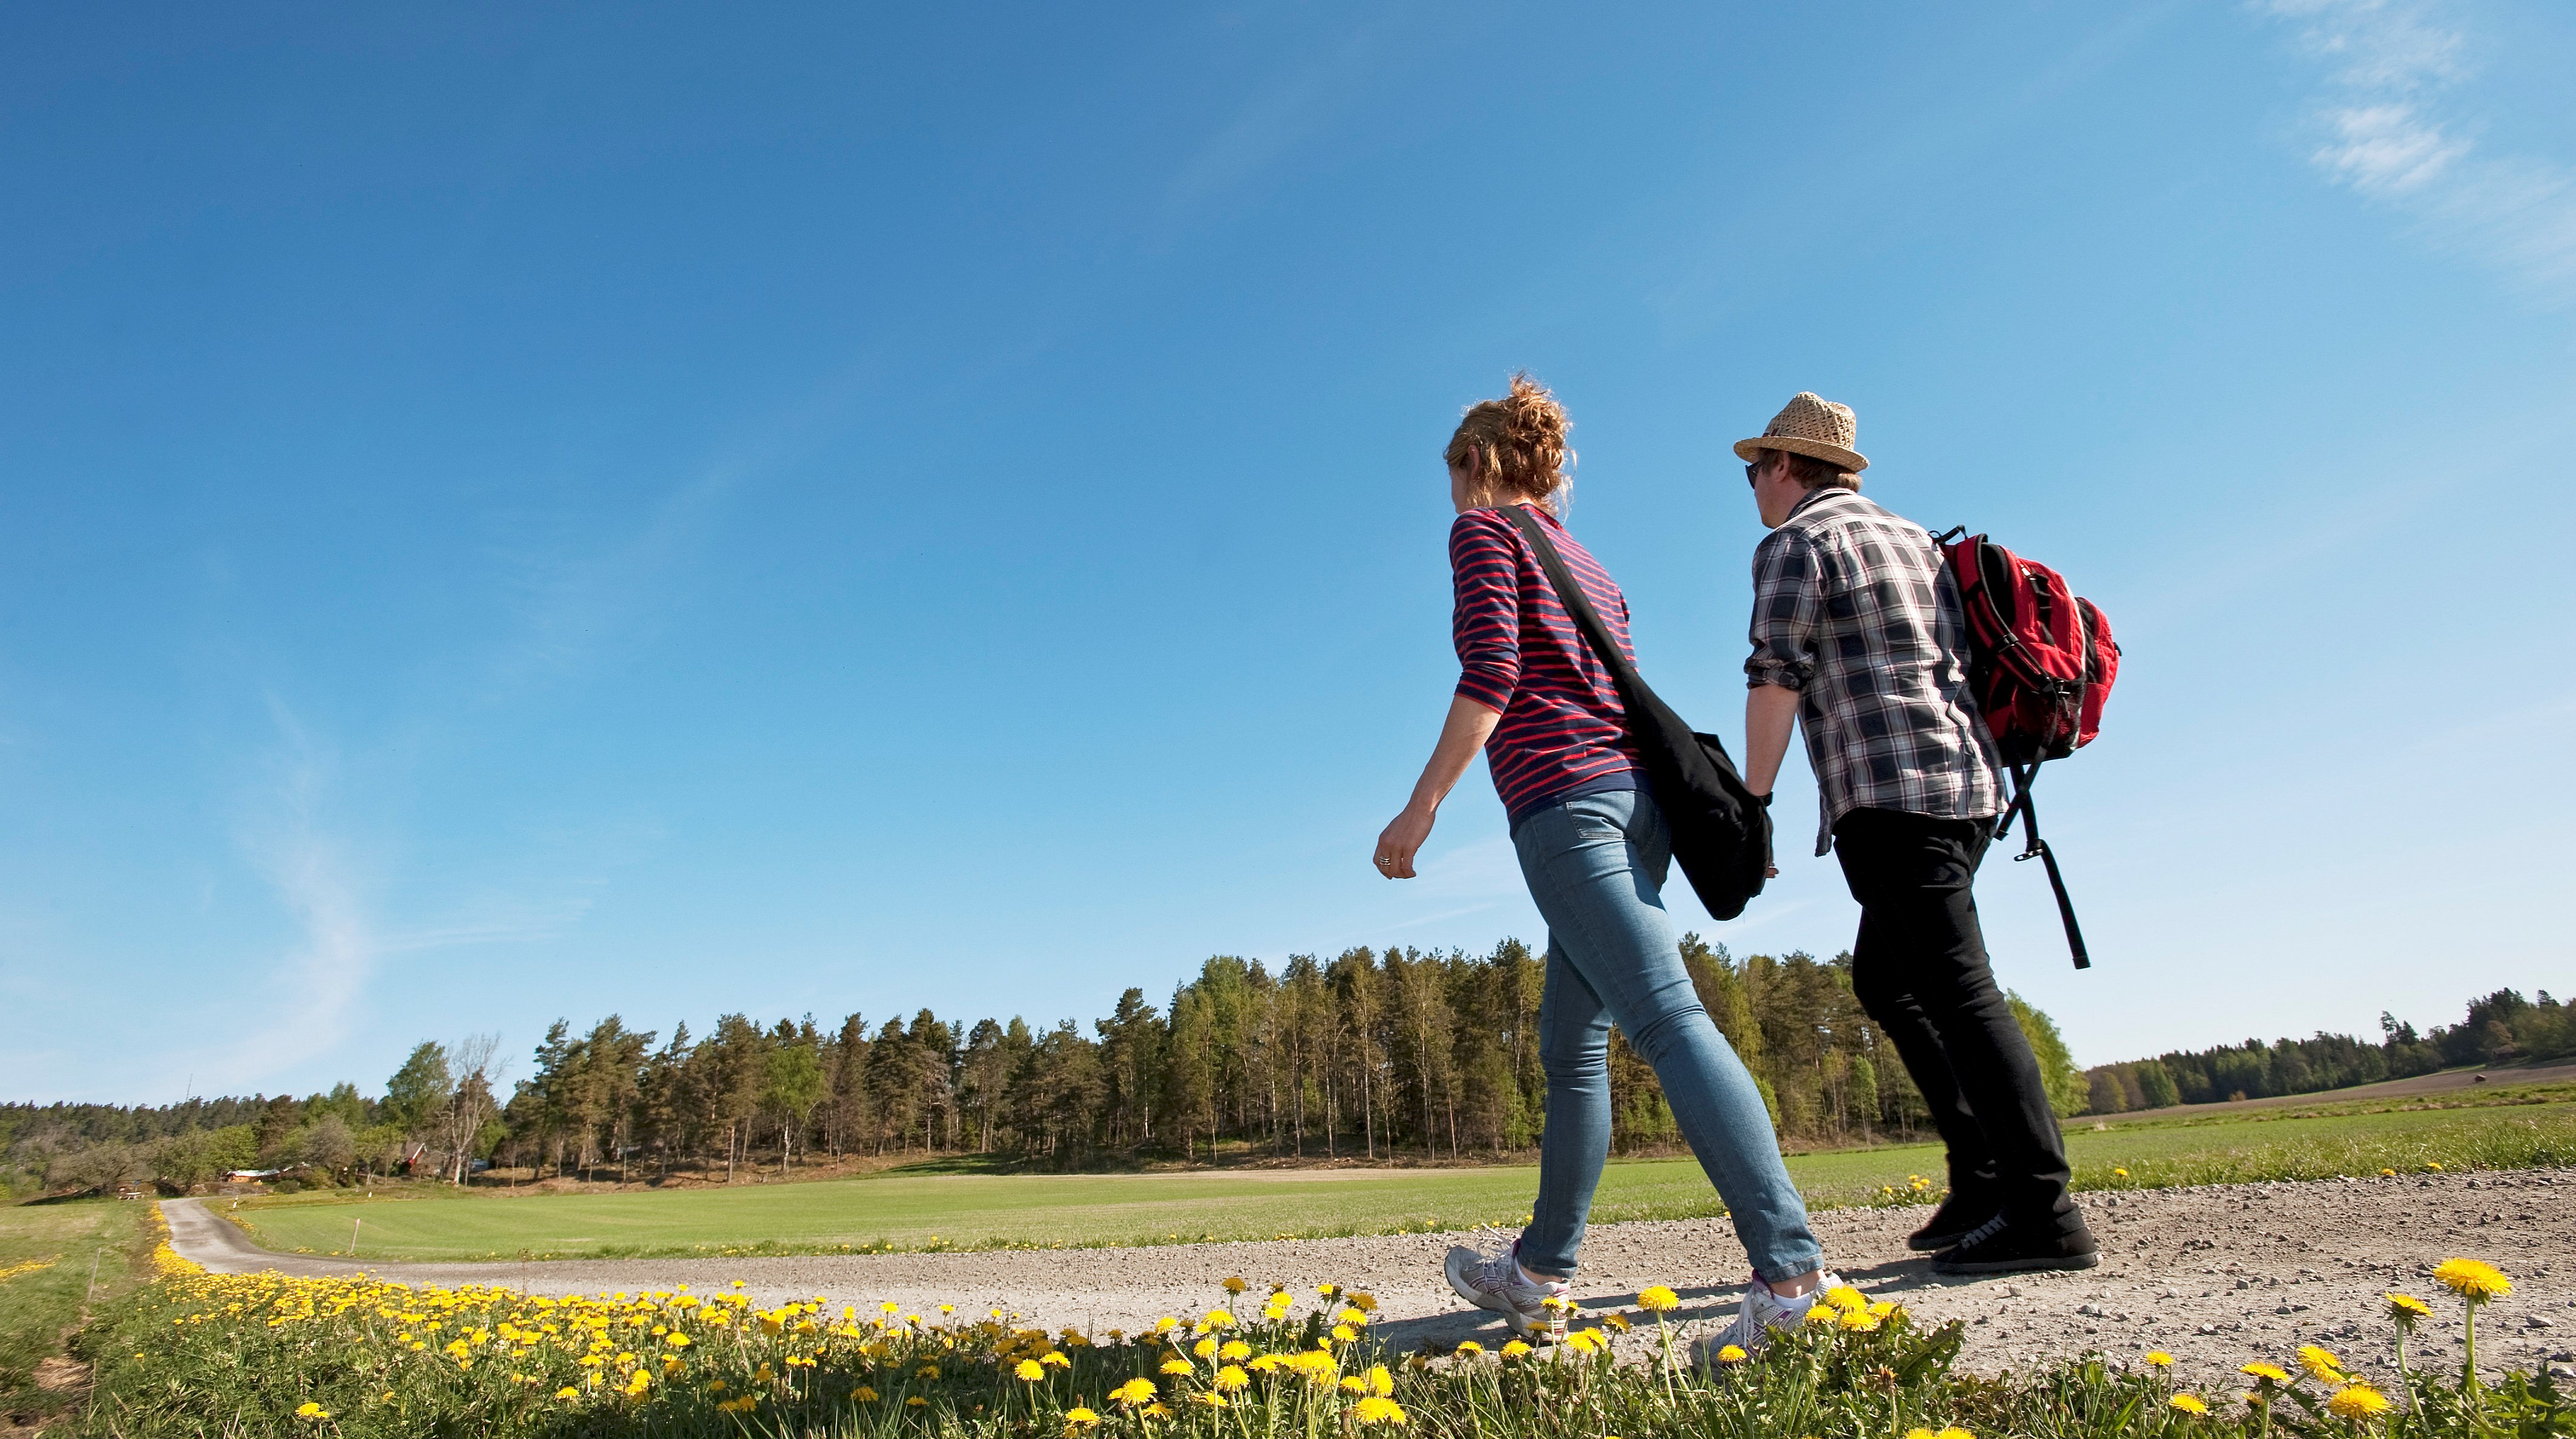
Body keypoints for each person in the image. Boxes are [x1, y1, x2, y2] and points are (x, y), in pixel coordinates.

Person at [1375, 374, 1841, 1355]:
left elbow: (1491, 675)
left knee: (1667, 1021)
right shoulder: (1586, 559)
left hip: (1564, 809)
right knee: (1570, 1049)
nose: (1451, 497)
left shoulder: (1485, 534)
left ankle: (1793, 1274)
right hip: (1636, 808)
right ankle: (1541, 1274)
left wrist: (1420, 809)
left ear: (1477, 465)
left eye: (1455, 476)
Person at [1734, 392, 2100, 1275]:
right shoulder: (1914, 539)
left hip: (1892, 794)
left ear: (1789, 466)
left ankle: (2044, 1211)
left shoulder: (1797, 544)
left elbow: (1777, 675)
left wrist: (1752, 802)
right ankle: (1981, 1177)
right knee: (1888, 979)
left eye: (1757, 468)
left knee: (1960, 990)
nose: (1752, 484)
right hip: (1972, 786)